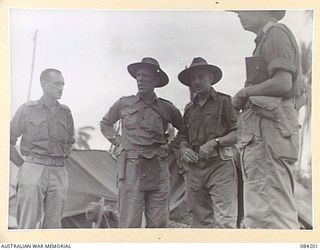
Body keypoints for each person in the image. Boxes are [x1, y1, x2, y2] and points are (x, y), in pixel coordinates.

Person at [231, 10, 302, 228]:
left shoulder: (275, 33)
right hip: (264, 134)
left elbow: (283, 83)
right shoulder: (266, 38)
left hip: (268, 133)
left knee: (272, 214)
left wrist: (244, 93)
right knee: (262, 212)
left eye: (244, 9)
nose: (239, 15)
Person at [100, 57, 184, 228]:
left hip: (158, 168)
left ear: (155, 80)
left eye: (145, 75)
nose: (140, 79)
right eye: (138, 75)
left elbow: (185, 130)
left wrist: (170, 147)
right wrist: (118, 142)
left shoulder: (166, 108)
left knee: (158, 223)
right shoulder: (124, 103)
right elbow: (105, 123)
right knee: (129, 223)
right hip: (131, 167)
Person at [176, 57, 238, 228]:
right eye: (193, 78)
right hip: (194, 169)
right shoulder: (189, 108)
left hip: (220, 166)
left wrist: (216, 142)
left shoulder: (225, 102)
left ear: (210, 77)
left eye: (201, 76)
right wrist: (183, 149)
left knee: (225, 219)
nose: (196, 81)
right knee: (198, 220)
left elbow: (240, 132)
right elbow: (183, 136)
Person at [10, 68, 75, 229]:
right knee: (28, 224)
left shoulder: (65, 112)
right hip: (33, 168)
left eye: (62, 84)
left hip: (59, 170)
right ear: (44, 84)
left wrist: (61, 159)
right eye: (56, 84)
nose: (61, 88)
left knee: (53, 226)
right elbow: (7, 140)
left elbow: (70, 141)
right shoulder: (27, 109)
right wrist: (23, 165)